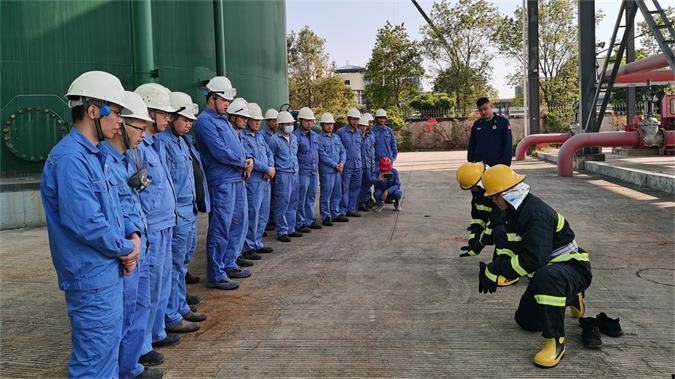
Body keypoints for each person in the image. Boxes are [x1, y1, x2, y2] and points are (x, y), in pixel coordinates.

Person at [41, 71, 140, 378]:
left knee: (105, 357)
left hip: (104, 273)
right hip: (91, 280)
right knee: (93, 365)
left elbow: (116, 210)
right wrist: (127, 248)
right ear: (94, 110)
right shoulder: (71, 159)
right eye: (117, 112)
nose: (120, 122)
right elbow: (87, 223)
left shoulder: (95, 156)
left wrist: (131, 239)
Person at [478, 164, 591, 368]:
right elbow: (513, 250)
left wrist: (498, 270)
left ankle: (556, 342)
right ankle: (573, 297)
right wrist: (493, 268)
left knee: (547, 276)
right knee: (526, 321)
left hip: (573, 268)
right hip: (547, 273)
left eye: (495, 196)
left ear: (508, 192)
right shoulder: (513, 213)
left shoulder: (535, 213)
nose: (493, 201)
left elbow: (533, 259)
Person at [99, 91, 162, 379]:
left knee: (139, 307)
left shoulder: (126, 159)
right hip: (127, 250)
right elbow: (113, 213)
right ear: (121, 125)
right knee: (123, 315)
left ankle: (130, 367)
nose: (143, 134)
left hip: (140, 242)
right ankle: (121, 369)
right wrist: (128, 245)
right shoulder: (106, 162)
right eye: (139, 127)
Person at [192, 77, 253, 290]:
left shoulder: (223, 120)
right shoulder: (204, 122)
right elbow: (219, 151)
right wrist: (241, 162)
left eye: (228, 100)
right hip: (221, 181)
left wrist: (248, 159)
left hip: (236, 178)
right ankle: (216, 274)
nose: (227, 104)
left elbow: (237, 145)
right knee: (221, 227)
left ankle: (228, 263)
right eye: (224, 100)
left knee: (237, 223)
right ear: (212, 98)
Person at [134, 83, 179, 365]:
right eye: (164, 114)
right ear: (149, 112)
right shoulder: (138, 149)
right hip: (151, 225)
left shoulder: (154, 145)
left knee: (161, 281)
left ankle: (156, 331)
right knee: (146, 288)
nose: (168, 119)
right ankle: (141, 346)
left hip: (164, 222)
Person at [156, 92, 207, 336]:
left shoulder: (182, 141)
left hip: (189, 209)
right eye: (184, 119)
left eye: (191, 120)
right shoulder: (163, 143)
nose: (188, 124)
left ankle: (180, 306)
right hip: (177, 213)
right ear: (172, 117)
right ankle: (171, 315)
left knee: (182, 264)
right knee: (174, 265)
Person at [455, 162, 518, 287]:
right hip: (510, 225)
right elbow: (479, 215)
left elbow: (496, 220)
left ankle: (509, 273)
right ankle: (503, 264)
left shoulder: (499, 190)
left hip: (518, 228)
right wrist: (474, 236)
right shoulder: (480, 192)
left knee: (500, 232)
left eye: (472, 187)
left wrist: (481, 244)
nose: (472, 190)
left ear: (479, 183)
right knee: (498, 232)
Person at [241, 102, 275, 260]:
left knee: (263, 213)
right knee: (253, 213)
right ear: (248, 120)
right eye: (254, 120)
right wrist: (266, 169)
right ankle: (248, 246)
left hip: (265, 180)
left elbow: (269, 152)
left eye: (259, 120)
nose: (257, 122)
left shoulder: (260, 136)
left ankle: (257, 242)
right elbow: (249, 157)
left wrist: (271, 167)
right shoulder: (243, 137)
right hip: (254, 181)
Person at [267, 111, 301, 242]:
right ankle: (282, 230)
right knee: (282, 203)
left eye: (291, 124)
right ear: (280, 125)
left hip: (294, 173)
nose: (289, 126)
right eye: (286, 124)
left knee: (293, 202)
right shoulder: (274, 140)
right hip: (282, 175)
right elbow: (270, 158)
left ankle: (291, 228)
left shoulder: (294, 138)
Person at [294, 107, 323, 232]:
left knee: (311, 197)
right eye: (306, 121)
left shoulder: (315, 136)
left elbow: (319, 153)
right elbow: (293, 155)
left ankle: (309, 220)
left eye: (311, 121)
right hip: (302, 172)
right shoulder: (295, 136)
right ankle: (300, 223)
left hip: (313, 172)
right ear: (300, 121)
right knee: (301, 198)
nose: (309, 123)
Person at [317, 112, 347, 226]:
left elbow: (343, 151)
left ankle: (335, 213)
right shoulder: (319, 139)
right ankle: (325, 216)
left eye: (331, 124)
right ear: (322, 125)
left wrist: (342, 163)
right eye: (327, 124)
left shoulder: (336, 137)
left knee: (337, 193)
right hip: (327, 171)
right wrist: (335, 165)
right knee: (326, 194)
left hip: (337, 171)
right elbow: (322, 155)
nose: (329, 126)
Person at [467, 97, 513, 167]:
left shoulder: (502, 122)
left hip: (497, 165)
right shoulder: (477, 124)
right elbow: (472, 144)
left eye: (485, 109)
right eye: (480, 110)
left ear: (491, 106)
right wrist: (470, 161)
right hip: (480, 165)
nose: (483, 112)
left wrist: (506, 164)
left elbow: (507, 144)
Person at [336, 108, 363, 218]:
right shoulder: (341, 132)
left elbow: (359, 148)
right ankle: (343, 211)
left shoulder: (359, 132)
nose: (355, 122)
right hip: (346, 166)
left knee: (355, 188)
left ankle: (352, 209)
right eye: (353, 119)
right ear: (348, 119)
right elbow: (338, 150)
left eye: (357, 119)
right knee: (344, 188)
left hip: (358, 165)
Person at [357, 114, 377, 212]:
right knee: (358, 185)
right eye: (366, 124)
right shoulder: (356, 135)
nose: (369, 125)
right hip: (359, 165)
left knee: (367, 184)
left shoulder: (371, 136)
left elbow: (372, 151)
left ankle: (366, 201)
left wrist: (373, 164)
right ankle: (360, 203)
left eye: (370, 123)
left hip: (368, 164)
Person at [263, 108, 278, 231]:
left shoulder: (278, 135)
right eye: (272, 121)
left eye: (276, 121)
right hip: (266, 172)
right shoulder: (262, 135)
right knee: (265, 199)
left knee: (275, 197)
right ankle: (266, 222)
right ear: (267, 122)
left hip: (275, 170)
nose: (275, 123)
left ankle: (272, 219)